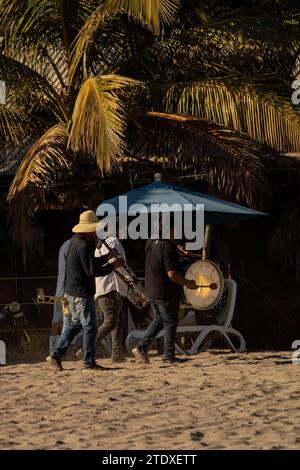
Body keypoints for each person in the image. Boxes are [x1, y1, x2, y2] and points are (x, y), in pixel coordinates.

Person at [46, 210, 123, 371]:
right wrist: (112, 266)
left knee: (75, 323)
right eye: (95, 228)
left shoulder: (76, 241)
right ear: (89, 229)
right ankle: (89, 361)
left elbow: (90, 263)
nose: (97, 232)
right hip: (81, 292)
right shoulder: (84, 245)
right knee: (91, 327)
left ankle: (56, 354)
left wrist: (106, 257)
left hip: (72, 291)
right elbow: (91, 271)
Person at [132, 217, 197, 364]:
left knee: (160, 319)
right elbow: (172, 274)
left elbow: (159, 261)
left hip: (151, 289)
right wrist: (188, 283)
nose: (176, 234)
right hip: (164, 291)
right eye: (175, 231)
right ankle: (168, 355)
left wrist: (177, 250)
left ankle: (141, 347)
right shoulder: (167, 247)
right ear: (170, 230)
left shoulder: (150, 243)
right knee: (170, 321)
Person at [76, 235, 129, 363]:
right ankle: (84, 349)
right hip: (111, 287)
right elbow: (117, 264)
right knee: (110, 322)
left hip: (107, 288)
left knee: (117, 321)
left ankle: (116, 352)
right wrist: (129, 280)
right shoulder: (114, 242)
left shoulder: (101, 245)